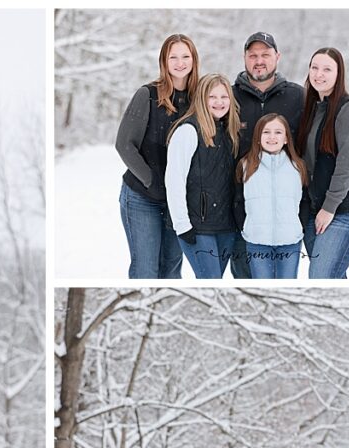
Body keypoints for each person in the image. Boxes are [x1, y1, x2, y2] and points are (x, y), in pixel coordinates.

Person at [115, 34, 199, 278]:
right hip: (142, 196)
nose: (180, 62)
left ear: (194, 60)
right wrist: (152, 180)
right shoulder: (148, 95)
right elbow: (124, 145)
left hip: (179, 202)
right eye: (173, 57)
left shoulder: (199, 100)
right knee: (146, 270)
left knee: (171, 270)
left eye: (186, 56)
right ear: (164, 61)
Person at [296, 48, 349, 278]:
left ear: (338, 74)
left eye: (327, 69)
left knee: (321, 277)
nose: (319, 74)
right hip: (317, 209)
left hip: (348, 210)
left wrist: (329, 207)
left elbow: (348, 164)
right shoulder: (313, 110)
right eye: (314, 68)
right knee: (331, 276)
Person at [229, 31, 305, 278]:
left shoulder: (297, 96)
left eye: (265, 54)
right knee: (244, 280)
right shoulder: (228, 97)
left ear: (277, 57)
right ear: (244, 58)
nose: (259, 60)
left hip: (285, 218)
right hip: (241, 213)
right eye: (253, 55)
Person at [166, 73, 242, 279]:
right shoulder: (188, 131)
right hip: (198, 227)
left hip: (226, 226)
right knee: (210, 281)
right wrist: (182, 225)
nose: (219, 102)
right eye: (212, 97)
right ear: (201, 98)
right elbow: (174, 180)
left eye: (224, 97)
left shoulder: (230, 132)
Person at [236, 114, 307, 279]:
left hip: (290, 241)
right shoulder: (246, 165)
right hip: (257, 240)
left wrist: (299, 226)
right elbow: (237, 201)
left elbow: (305, 201)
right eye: (266, 132)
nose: (272, 137)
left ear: (286, 138)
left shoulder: (298, 167)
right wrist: (245, 226)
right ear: (258, 138)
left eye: (278, 132)